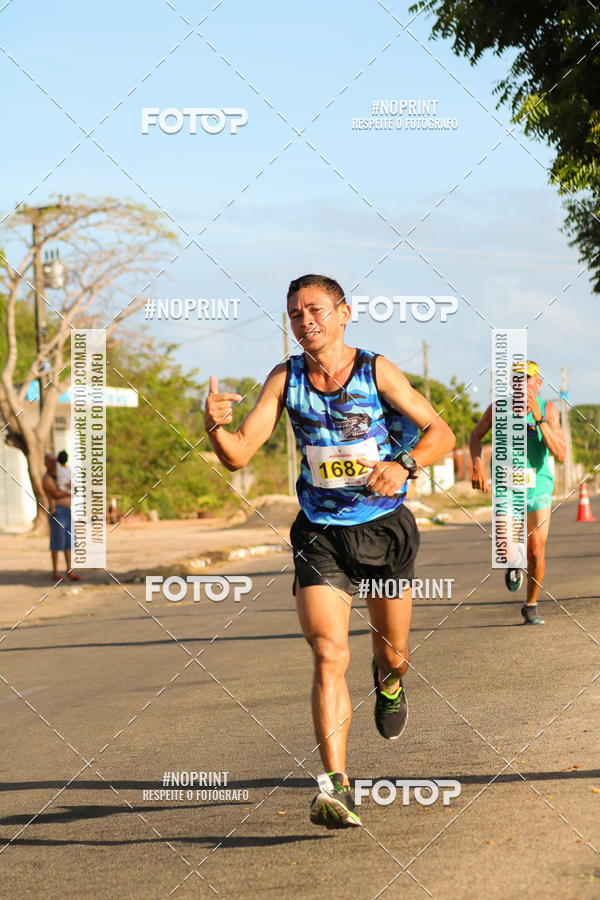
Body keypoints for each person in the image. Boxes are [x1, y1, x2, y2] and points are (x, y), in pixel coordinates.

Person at [204, 274, 455, 828]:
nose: (305, 321)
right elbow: (240, 454)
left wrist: (404, 464)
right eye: (295, 314)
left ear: (344, 313)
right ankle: (335, 785)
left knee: (394, 654)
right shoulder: (285, 377)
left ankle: (388, 680)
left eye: (315, 310)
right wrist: (213, 428)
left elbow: (442, 434)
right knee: (327, 653)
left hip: (385, 527)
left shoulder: (376, 370)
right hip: (320, 533)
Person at [470, 360, 566, 625]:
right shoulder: (498, 408)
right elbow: (475, 436)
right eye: (515, 380)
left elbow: (560, 453)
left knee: (535, 550)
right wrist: (478, 465)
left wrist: (540, 419)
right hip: (507, 485)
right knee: (506, 545)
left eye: (526, 379)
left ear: (538, 383)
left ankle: (530, 604)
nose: (520, 384)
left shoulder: (548, 409)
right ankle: (513, 561)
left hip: (538, 485)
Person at [42, 452, 81, 582]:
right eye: (51, 461)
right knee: (57, 542)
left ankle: (70, 571)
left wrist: (71, 490)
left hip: (67, 511)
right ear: (46, 463)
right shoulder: (47, 478)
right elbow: (56, 493)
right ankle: (55, 572)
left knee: (69, 542)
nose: (54, 463)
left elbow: (74, 489)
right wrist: (69, 491)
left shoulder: (61, 475)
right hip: (57, 512)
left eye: (55, 461)